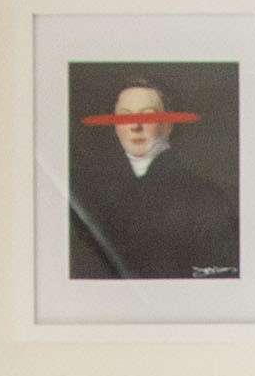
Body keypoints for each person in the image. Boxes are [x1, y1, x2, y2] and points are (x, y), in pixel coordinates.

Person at [64, 71, 239, 284]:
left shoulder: (202, 198)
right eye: (125, 116)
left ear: (168, 124)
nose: (135, 126)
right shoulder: (112, 196)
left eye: (148, 116)